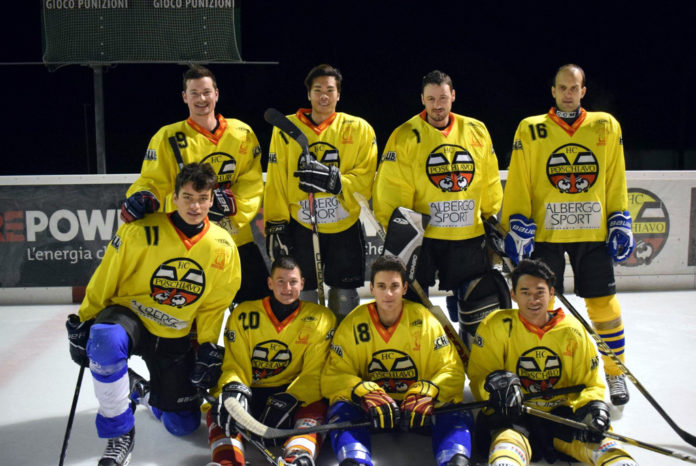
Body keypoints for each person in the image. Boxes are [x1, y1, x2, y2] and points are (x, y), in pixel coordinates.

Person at [65, 162, 241, 466]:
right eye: (188, 197)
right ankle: (120, 432)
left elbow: (213, 305)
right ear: (174, 197)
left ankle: (141, 391)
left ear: (212, 199)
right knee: (105, 341)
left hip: (174, 333)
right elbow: (106, 276)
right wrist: (85, 318)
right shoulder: (140, 230)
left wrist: (207, 345)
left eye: (202, 198)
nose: (195, 206)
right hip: (130, 316)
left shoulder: (223, 246)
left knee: (183, 424)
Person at [501, 64, 635, 405]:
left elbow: (614, 175)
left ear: (583, 91)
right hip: (546, 235)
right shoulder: (532, 129)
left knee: (604, 305)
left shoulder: (605, 125)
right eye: (562, 88)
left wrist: (619, 216)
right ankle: (541, 371)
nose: (568, 94)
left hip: (592, 232)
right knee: (538, 305)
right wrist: (516, 221)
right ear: (553, 91)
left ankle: (615, 372)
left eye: (574, 88)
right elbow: (519, 178)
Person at [372, 70, 506, 347]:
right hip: (425, 240)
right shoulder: (405, 135)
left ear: (453, 96)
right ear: (422, 99)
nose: (437, 105)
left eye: (443, 98)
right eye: (431, 99)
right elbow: (392, 185)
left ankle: (477, 357)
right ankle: (419, 354)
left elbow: (488, 177)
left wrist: (489, 213)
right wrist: (395, 225)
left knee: (477, 301)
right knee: (413, 303)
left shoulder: (475, 130)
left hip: (467, 235)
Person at [467, 258, 636, 465]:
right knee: (507, 443)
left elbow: (590, 384)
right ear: (513, 295)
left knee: (600, 442)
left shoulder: (573, 332)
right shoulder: (495, 326)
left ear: (552, 293)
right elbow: (479, 376)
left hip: (562, 416)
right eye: (525, 292)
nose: (533, 300)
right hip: (514, 415)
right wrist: (495, 389)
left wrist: (593, 406)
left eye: (540, 292)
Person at [122, 64, 268, 304]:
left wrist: (232, 203)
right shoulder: (167, 137)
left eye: (206, 92)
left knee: (256, 307)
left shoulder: (242, 133)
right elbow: (152, 180)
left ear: (216, 94)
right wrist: (144, 196)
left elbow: (251, 179)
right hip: (187, 241)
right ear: (184, 97)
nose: (201, 99)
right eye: (194, 93)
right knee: (190, 311)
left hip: (235, 238)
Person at [321, 255, 473, 466]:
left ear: (404, 288)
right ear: (372, 288)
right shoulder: (353, 323)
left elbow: (451, 369)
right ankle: (355, 460)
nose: (388, 294)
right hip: (373, 410)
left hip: (418, 409)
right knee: (340, 409)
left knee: (456, 410)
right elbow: (333, 375)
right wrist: (363, 391)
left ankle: (454, 461)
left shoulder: (425, 320)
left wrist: (429, 390)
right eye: (381, 286)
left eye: (394, 286)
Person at [264, 63, 378, 318]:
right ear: (308, 94)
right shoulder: (286, 129)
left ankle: (342, 342)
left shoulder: (359, 128)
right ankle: (309, 340)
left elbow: (365, 177)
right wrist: (276, 223)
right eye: (317, 90)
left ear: (339, 94)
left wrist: (335, 182)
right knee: (304, 295)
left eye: (330, 90)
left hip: (344, 228)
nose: (323, 96)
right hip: (302, 227)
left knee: (344, 297)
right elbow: (277, 180)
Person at [208, 255, 336, 466]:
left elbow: (314, 372)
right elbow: (235, 364)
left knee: (316, 406)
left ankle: (298, 456)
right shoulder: (243, 314)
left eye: (293, 282)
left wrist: (292, 398)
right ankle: (227, 460)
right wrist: (234, 389)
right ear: (270, 283)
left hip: (290, 392)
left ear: (302, 283)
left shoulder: (321, 318)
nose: (287, 288)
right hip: (251, 390)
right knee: (221, 407)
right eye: (280, 281)